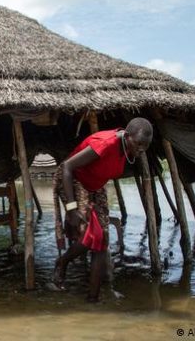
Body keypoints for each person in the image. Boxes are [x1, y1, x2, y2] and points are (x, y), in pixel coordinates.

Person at [51, 117, 153, 302]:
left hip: (95, 185)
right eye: (138, 144)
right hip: (73, 179)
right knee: (89, 237)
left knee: (102, 240)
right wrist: (72, 209)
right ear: (127, 135)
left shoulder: (128, 151)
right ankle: (62, 262)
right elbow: (67, 167)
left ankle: (93, 299)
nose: (141, 149)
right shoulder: (106, 144)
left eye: (145, 146)